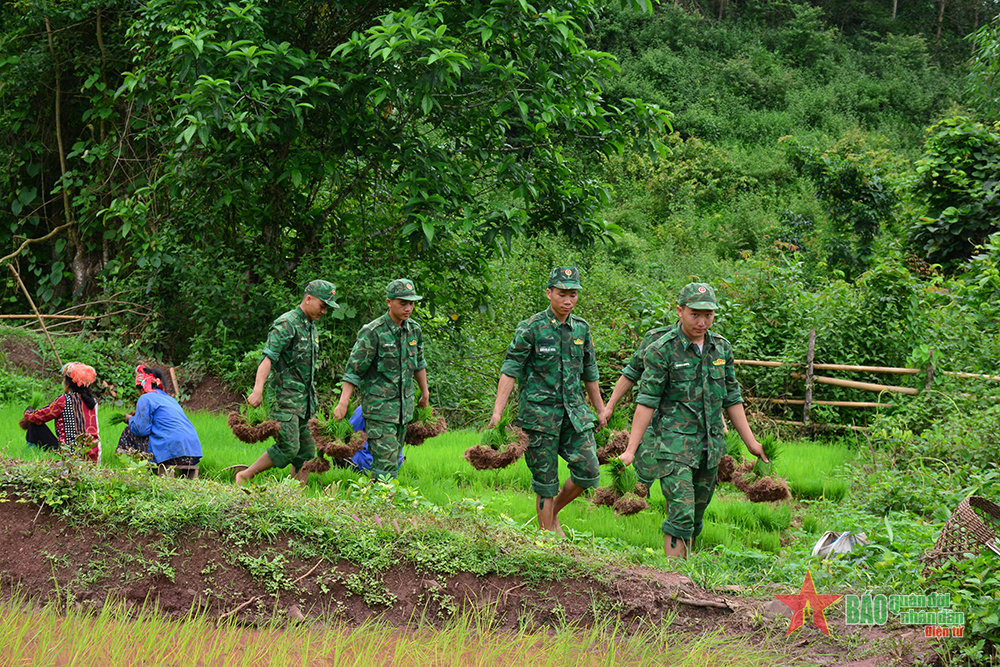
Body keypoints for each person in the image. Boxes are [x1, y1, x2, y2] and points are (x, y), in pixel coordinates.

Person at [619, 283, 769, 559]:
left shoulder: (720, 348)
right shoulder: (662, 349)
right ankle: (673, 582)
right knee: (681, 513)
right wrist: (631, 448)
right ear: (680, 310)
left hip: (710, 447)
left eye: (708, 315)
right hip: (673, 446)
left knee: (696, 517)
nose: (702, 322)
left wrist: (751, 443)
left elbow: (732, 398)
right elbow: (647, 401)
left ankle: (685, 578)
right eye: (695, 314)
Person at [488, 266, 606, 536]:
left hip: (575, 415)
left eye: (573, 294)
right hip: (539, 418)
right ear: (549, 293)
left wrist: (601, 410)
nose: (568, 300)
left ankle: (552, 514)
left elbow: (590, 372)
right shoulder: (531, 328)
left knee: (589, 471)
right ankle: (546, 542)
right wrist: (498, 412)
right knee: (545, 482)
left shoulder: (581, 329)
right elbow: (510, 370)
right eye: (562, 294)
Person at [236, 280, 339, 485]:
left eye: (328, 307)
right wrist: (258, 390)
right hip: (284, 400)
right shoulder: (287, 323)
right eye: (322, 305)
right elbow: (268, 358)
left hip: (305, 401)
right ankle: (245, 475)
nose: (324, 311)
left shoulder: (310, 327)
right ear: (308, 299)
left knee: (307, 452)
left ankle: (295, 498)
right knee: (289, 447)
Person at [332, 279, 428, 480]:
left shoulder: (414, 330)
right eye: (403, 303)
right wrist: (343, 402)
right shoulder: (374, 331)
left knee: (394, 461)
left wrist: (425, 393)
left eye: (411, 303)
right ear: (389, 302)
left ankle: (379, 503)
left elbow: (419, 363)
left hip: (403, 409)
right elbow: (354, 371)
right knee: (384, 463)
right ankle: (380, 504)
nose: (408, 308)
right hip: (379, 410)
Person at [118, 365, 202, 470]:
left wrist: (130, 419)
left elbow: (142, 430)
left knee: (129, 431)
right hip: (192, 454)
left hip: (172, 455)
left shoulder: (145, 398)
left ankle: (124, 468)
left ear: (141, 388)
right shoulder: (169, 399)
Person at [20, 362, 101, 462]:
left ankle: (28, 458)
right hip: (93, 458)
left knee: (34, 426)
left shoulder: (64, 400)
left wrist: (28, 411)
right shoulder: (93, 403)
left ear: (68, 383)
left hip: (69, 455)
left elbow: (38, 416)